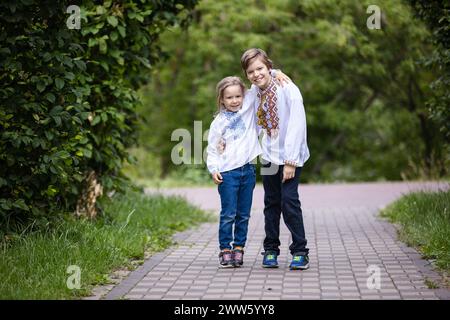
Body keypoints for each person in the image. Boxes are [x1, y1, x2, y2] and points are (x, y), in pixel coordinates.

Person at [207, 73, 289, 268]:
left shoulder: (248, 107)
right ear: (222, 99)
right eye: (229, 97)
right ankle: (225, 249)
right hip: (227, 173)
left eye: (237, 96)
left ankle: (239, 248)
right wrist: (213, 169)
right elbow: (212, 149)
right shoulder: (218, 122)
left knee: (243, 214)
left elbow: (258, 77)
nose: (234, 101)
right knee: (228, 213)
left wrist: (274, 73)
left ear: (243, 96)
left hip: (248, 171)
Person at [241, 48, 310, 270]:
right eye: (251, 71)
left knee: (289, 202)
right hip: (269, 156)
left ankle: (300, 251)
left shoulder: (288, 89)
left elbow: (297, 125)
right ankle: (271, 249)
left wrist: (290, 161)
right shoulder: (255, 91)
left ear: (268, 66)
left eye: (260, 68)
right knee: (271, 203)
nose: (256, 74)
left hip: (290, 156)